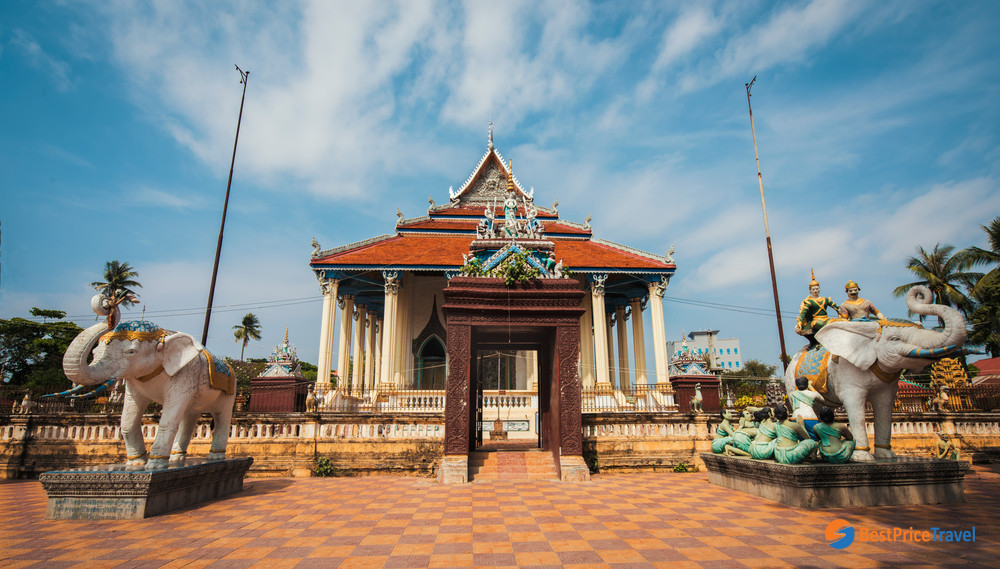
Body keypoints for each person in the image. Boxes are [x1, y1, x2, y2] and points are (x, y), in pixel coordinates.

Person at [795, 269, 840, 349]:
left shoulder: (825, 299)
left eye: (817, 289)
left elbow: (837, 308)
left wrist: (842, 315)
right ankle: (823, 341)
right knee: (820, 324)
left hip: (826, 319)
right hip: (816, 321)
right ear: (810, 291)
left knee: (839, 322)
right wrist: (800, 323)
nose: (815, 291)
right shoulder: (809, 301)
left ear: (819, 289)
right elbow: (804, 313)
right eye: (813, 289)